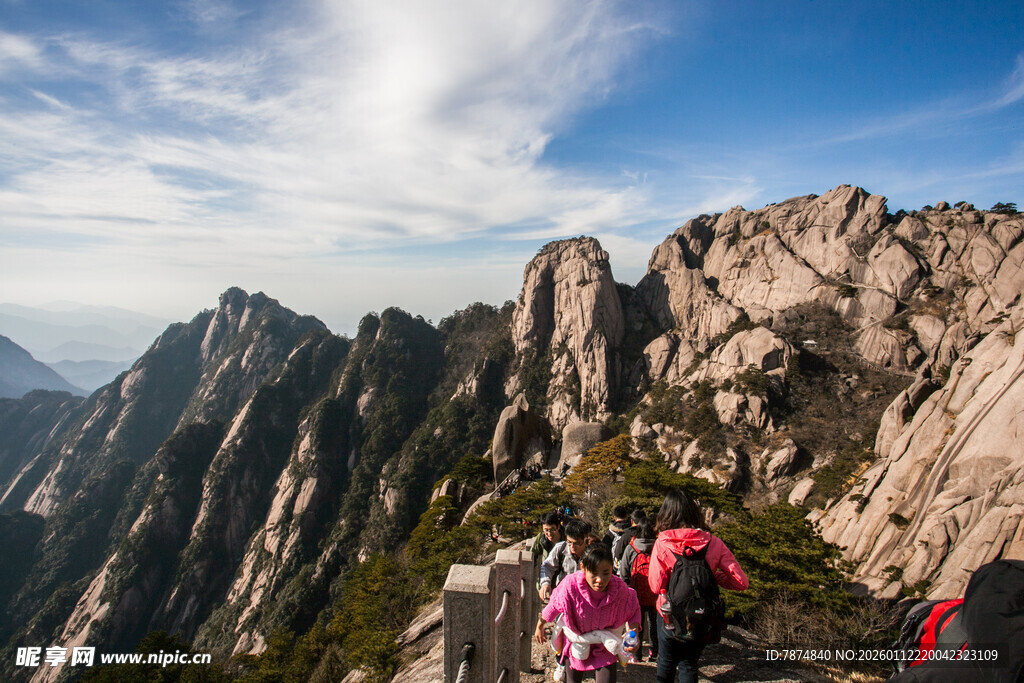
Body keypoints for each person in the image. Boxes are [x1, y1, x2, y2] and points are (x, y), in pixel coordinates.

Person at [648, 489, 748, 683]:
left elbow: (655, 585)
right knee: (689, 664)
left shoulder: (662, 543)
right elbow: (741, 582)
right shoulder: (714, 543)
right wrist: (714, 576)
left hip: (669, 615)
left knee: (666, 662)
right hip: (701, 615)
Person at [534, 544, 641, 683]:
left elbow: (633, 608)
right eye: (594, 573)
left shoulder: (620, 589)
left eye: (606, 573)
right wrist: (540, 624)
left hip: (604, 644)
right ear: (583, 568)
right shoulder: (570, 586)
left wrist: (633, 632)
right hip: (577, 641)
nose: (600, 580)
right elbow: (554, 605)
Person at [618, 518, 658, 661]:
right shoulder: (658, 547)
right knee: (654, 625)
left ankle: (636, 655)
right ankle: (654, 653)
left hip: (635, 594)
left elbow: (624, 572)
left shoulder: (632, 547)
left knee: (636, 625)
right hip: (655, 594)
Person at [539, 519, 592, 601]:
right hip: (563, 596)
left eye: (577, 543)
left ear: (586, 539)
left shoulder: (593, 554)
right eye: (569, 542)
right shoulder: (560, 548)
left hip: (585, 598)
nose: (572, 547)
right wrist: (545, 583)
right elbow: (547, 566)